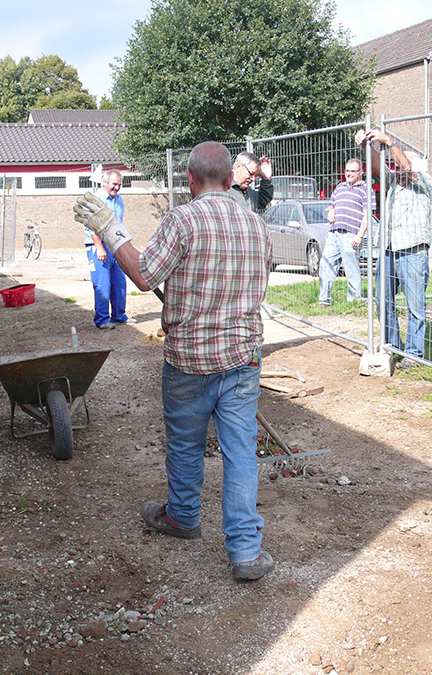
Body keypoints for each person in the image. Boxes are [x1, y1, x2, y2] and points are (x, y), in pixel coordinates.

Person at [73, 141, 275, 582]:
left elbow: (145, 276)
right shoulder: (257, 225)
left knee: (185, 445)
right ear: (231, 179)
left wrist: (111, 229)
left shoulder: (181, 220)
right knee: (240, 453)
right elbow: (262, 275)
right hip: (242, 358)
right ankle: (245, 551)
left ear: (189, 179)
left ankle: (183, 517)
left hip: (189, 361)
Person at [356, 129, 432, 369]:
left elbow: (407, 168)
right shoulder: (392, 184)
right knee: (382, 300)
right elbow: (377, 165)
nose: (396, 169)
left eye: (399, 164)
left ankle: (413, 354)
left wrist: (388, 141)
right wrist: (365, 145)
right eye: (395, 166)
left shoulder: (423, 182)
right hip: (389, 250)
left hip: (413, 251)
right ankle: (392, 346)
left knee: (415, 306)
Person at [319, 158, 373, 307]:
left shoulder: (366, 190)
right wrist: (331, 211)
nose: (348, 174)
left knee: (351, 268)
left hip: (351, 234)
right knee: (326, 264)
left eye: (353, 171)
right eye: (347, 171)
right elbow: (331, 204)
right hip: (334, 233)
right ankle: (324, 300)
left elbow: (367, 215)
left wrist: (360, 235)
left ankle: (354, 302)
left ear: (360, 172)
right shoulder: (340, 187)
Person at [86, 170, 128, 330]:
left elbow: (119, 224)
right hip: (99, 246)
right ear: (104, 183)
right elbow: (90, 226)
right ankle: (102, 320)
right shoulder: (96, 199)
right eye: (114, 184)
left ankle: (119, 316)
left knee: (119, 282)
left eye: (119, 184)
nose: (117, 187)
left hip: (115, 246)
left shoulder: (119, 200)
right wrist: (99, 247)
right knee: (102, 284)